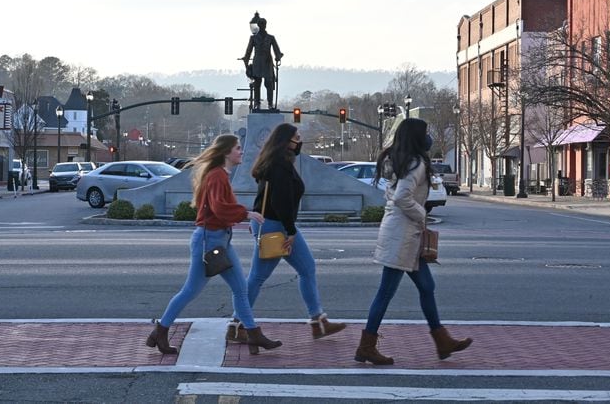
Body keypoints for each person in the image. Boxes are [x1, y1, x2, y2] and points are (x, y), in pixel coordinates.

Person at [146, 134, 282, 355]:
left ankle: (253, 334)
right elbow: (219, 208)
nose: (241, 152)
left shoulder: (219, 175)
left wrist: (241, 218)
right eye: (237, 148)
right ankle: (160, 331)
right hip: (209, 241)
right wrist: (246, 213)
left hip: (219, 239)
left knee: (240, 289)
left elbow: (218, 209)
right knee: (191, 290)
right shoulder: (217, 176)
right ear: (226, 152)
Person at [355, 118, 472, 365]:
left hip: (403, 232)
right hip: (403, 234)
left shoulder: (400, 161)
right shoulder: (416, 164)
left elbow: (393, 194)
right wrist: (422, 215)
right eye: (426, 133)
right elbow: (401, 197)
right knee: (385, 292)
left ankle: (442, 340)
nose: (429, 137)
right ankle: (366, 346)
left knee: (427, 287)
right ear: (417, 137)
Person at [226, 123, 346, 344]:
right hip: (276, 226)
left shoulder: (275, 162)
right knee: (260, 277)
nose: (299, 141)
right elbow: (281, 202)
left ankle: (318, 321)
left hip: (272, 224)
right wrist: (290, 230)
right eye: (296, 137)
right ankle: (237, 324)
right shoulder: (280, 165)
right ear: (286, 141)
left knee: (303, 269)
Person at [241, 12, 283, 111]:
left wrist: (278, 56)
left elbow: (277, 50)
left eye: (264, 24)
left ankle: (270, 104)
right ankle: (257, 103)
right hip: (257, 63)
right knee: (257, 84)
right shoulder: (253, 38)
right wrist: (246, 59)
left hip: (268, 62)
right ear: (259, 25)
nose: (263, 26)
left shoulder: (271, 38)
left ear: (265, 25)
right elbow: (249, 50)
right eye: (261, 24)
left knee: (269, 83)